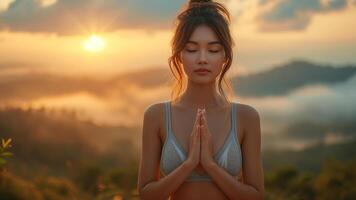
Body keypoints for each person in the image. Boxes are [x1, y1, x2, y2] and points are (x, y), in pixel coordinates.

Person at [137, 0, 264, 199]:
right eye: (191, 49)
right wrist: (189, 164)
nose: (202, 59)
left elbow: (255, 196)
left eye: (213, 50)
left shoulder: (246, 117)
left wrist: (210, 165)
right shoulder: (157, 116)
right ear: (179, 55)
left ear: (225, 57)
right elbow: (146, 195)